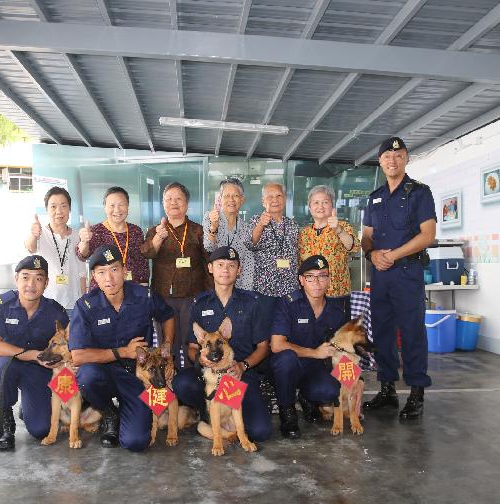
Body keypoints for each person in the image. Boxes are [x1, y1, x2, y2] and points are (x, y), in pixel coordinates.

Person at [69, 244, 175, 452]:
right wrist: (122, 352)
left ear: (124, 270)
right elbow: (78, 356)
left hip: (137, 376)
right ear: (94, 277)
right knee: (87, 376)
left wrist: (167, 348)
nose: (109, 278)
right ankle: (109, 413)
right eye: (102, 272)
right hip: (103, 372)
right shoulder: (85, 306)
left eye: (114, 269)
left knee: (136, 442)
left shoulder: (143, 295)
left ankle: (129, 408)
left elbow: (168, 315)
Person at [361, 136, 437, 420]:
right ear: (380, 162)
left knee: (412, 332)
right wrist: (372, 255)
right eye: (386, 157)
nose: (392, 161)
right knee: (381, 332)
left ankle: (417, 391)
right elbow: (366, 237)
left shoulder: (419, 192)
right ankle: (387, 388)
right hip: (380, 275)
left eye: (398, 156)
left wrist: (392, 254)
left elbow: (427, 235)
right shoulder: (374, 197)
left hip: (407, 272)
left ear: (406, 159)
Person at [172, 246, 272, 443]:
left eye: (231, 266)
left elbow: (263, 346)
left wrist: (243, 366)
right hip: (209, 376)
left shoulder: (252, 302)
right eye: (220, 265)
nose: (225, 270)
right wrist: (199, 358)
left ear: (239, 270)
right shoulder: (200, 303)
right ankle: (208, 412)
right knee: (181, 383)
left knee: (260, 432)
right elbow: (191, 347)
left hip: (241, 374)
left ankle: (229, 413)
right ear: (210, 268)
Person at [0, 254, 69, 451]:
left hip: (38, 370)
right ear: (16, 279)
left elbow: (67, 344)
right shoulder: (0, 304)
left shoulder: (55, 312)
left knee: (41, 429)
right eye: (25, 277)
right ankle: (6, 424)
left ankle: (28, 408)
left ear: (46, 283)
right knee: (4, 365)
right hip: (9, 364)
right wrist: (33, 354)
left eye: (38, 278)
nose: (31, 284)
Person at [270, 255, 347, 439]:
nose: (317, 282)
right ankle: (287, 411)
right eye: (310, 277)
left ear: (329, 279)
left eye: (322, 276)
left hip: (314, 370)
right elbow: (276, 345)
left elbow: (345, 352)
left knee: (331, 391)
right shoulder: (288, 303)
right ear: (301, 280)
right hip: (287, 368)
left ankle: (307, 397)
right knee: (287, 359)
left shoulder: (337, 311)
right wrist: (315, 352)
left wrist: (354, 385)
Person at [141, 182, 210, 366]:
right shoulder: (155, 230)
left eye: (178, 198)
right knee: (167, 344)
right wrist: (158, 238)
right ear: (163, 204)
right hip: (163, 298)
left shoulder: (198, 230)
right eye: (169, 199)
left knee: (191, 342)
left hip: (191, 297)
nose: (174, 203)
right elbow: (147, 253)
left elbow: (207, 263)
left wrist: (208, 295)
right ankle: (168, 382)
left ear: (186, 203)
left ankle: (189, 382)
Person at [298, 184, 361, 314]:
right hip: (310, 296)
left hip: (337, 293)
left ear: (332, 206)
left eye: (325, 202)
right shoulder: (303, 233)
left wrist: (338, 230)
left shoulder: (342, 226)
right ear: (309, 208)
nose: (320, 206)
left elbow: (353, 246)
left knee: (338, 333)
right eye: (316, 202)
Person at [24, 186, 86, 314]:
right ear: (47, 209)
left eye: (63, 206)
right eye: (53, 206)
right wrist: (34, 235)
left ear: (69, 209)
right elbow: (30, 247)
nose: (59, 211)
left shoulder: (76, 236)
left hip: (74, 305)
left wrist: (83, 304)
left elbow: (82, 273)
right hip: (46, 305)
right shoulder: (41, 233)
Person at [76, 186, 149, 287]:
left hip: (132, 291)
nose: (117, 210)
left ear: (128, 206)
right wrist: (84, 241)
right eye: (112, 205)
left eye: (121, 205)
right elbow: (82, 255)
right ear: (105, 207)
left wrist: (144, 289)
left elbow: (141, 263)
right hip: (103, 292)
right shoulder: (95, 231)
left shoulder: (135, 230)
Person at [246, 182, 300, 302]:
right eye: (270, 196)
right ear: (263, 201)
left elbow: (297, 253)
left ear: (285, 199)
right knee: (264, 321)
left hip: (289, 287)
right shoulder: (255, 220)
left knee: (288, 321)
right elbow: (251, 244)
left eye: (279, 196)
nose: (275, 200)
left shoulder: (293, 225)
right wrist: (261, 225)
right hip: (264, 288)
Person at [202, 178, 254, 290]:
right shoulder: (210, 217)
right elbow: (209, 247)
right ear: (220, 199)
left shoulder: (246, 227)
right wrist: (214, 227)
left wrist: (246, 291)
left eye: (235, 195)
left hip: (238, 287)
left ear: (242, 199)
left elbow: (248, 261)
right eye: (226, 196)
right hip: (214, 285)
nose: (231, 199)